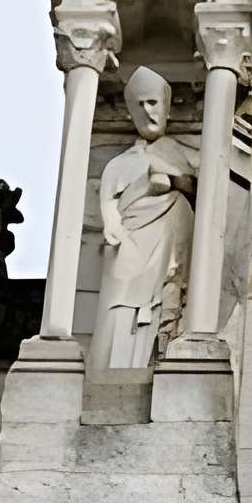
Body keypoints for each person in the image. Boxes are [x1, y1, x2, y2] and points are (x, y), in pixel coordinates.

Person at [93, 64, 198, 376]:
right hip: (130, 243)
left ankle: (157, 360)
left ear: (166, 108)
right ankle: (116, 371)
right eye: (139, 104)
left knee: (165, 300)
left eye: (153, 102)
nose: (147, 110)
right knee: (120, 305)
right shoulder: (118, 164)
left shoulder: (180, 153)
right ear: (129, 112)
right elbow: (108, 207)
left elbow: (192, 182)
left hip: (169, 234)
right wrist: (113, 226)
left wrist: (172, 179)